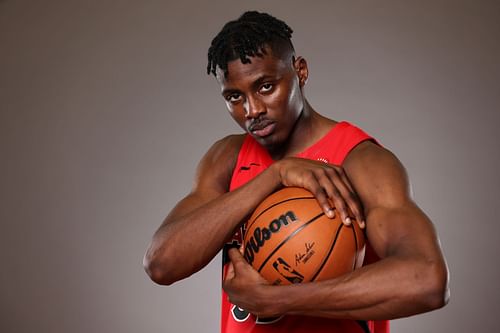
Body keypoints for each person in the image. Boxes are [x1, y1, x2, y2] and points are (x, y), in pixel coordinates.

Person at [143, 11, 449, 333]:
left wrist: (280, 299)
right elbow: (161, 264)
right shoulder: (228, 158)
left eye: (265, 86)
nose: (252, 111)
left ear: (300, 71)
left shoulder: (360, 160)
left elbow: (426, 280)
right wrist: (274, 176)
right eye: (235, 97)